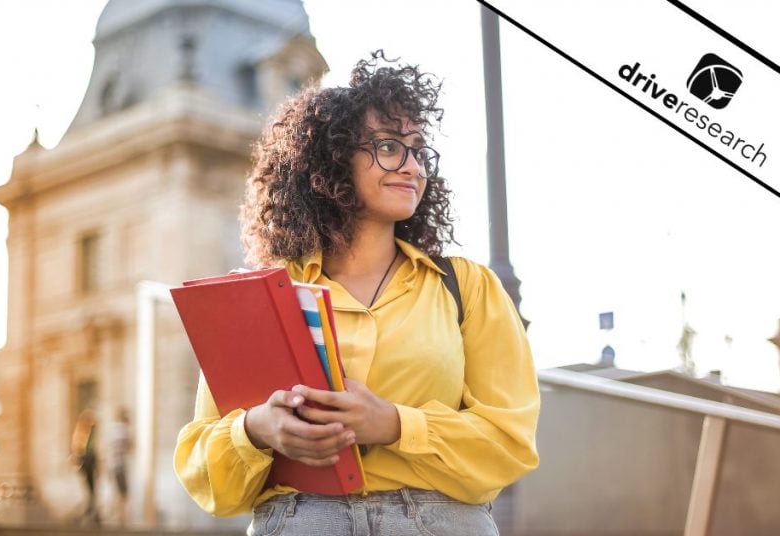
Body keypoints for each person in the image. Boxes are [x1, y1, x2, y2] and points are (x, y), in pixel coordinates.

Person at [174, 51, 540, 535]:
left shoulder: (467, 288)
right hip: (302, 520)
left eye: (418, 149)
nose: (412, 165)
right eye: (389, 146)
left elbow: (510, 442)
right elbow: (207, 473)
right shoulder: (265, 296)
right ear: (331, 159)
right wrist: (258, 429)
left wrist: (393, 424)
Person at [70, 409, 100, 526]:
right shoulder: (82, 433)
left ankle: (93, 513)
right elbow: (79, 451)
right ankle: (90, 514)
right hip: (86, 463)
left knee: (92, 491)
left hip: (90, 464)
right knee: (90, 491)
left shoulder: (90, 435)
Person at [107, 407, 133, 527]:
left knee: (118, 492)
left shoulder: (113, 429)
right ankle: (122, 518)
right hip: (120, 465)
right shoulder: (123, 430)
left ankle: (120, 517)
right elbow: (129, 446)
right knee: (123, 493)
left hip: (113, 464)